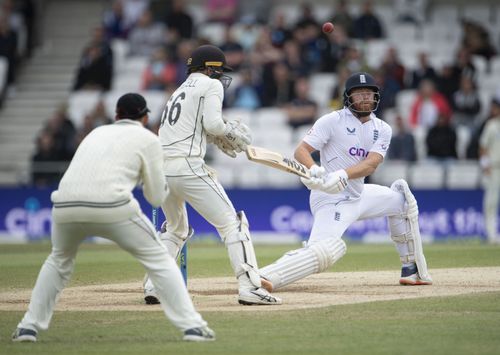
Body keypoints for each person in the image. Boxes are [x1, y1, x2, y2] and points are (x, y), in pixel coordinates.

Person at [12, 93, 214, 343]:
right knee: (160, 259)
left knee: (58, 260)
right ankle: (193, 327)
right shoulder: (149, 139)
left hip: (64, 204)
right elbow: (155, 197)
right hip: (112, 204)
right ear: (145, 117)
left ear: (116, 115)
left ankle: (27, 327)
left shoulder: (94, 134)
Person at [259, 72, 432, 292]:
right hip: (331, 199)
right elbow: (301, 150)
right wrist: (314, 170)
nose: (365, 98)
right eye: (359, 94)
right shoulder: (332, 120)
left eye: (369, 93)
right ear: (348, 97)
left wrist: (342, 174)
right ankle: (267, 275)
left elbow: (371, 164)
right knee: (324, 251)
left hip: (359, 194)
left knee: (401, 201)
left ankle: (410, 268)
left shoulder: (383, 129)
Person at [142, 45, 281, 306]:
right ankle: (250, 287)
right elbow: (214, 124)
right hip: (189, 167)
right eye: (218, 72)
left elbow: (191, 128)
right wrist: (228, 133)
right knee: (233, 224)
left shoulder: (178, 90)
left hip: (162, 171)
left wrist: (214, 136)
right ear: (209, 68)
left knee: (175, 229)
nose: (220, 78)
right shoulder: (210, 85)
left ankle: (154, 285)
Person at [479, 96, 500, 244]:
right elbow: (483, 147)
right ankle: (491, 235)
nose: (492, 110)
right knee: (491, 203)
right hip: (495, 168)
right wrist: (485, 165)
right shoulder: (491, 125)